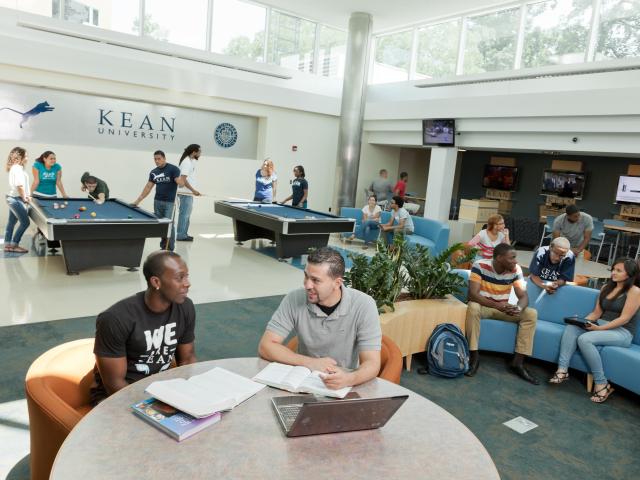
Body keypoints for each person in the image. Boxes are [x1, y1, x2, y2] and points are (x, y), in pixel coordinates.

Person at [258, 247, 382, 390]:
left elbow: (372, 363)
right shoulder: (294, 298)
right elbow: (265, 346)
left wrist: (349, 379)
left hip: (343, 383)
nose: (307, 285)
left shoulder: (364, 305)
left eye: (316, 280)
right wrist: (310, 363)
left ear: (337, 283)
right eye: (306, 276)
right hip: (303, 380)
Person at [90, 251, 197, 405]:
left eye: (187, 276)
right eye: (180, 277)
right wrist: (150, 408)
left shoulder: (185, 307)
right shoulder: (115, 318)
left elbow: (187, 358)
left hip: (161, 391)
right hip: (115, 398)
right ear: (156, 282)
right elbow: (114, 384)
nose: (187, 283)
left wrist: (188, 392)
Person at [549, 258, 640, 403]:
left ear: (629, 274)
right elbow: (596, 313)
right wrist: (583, 321)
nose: (613, 273)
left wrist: (600, 328)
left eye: (619, 270)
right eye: (613, 269)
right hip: (601, 327)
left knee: (585, 339)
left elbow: (625, 319)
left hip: (622, 332)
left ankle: (602, 383)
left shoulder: (635, 291)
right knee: (572, 328)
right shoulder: (605, 288)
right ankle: (562, 370)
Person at [465, 243, 539, 384]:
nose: (516, 261)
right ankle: (474, 356)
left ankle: (518, 363)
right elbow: (473, 295)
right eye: (512, 258)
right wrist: (497, 306)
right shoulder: (480, 265)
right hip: (484, 307)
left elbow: (523, 297)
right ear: (499, 258)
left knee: (531, 314)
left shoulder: (515, 270)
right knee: (473, 307)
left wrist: (518, 308)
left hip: (502, 309)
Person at [132, 151, 182, 251]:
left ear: (164, 158)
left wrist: (181, 180)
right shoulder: (153, 172)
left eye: (159, 159)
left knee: (169, 225)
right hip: (157, 202)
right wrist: (138, 201)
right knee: (161, 225)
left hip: (169, 203)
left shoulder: (173, 169)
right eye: (155, 159)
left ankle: (169, 249)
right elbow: (148, 187)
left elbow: (180, 183)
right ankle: (163, 247)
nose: (157, 161)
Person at [4, 147, 31, 254]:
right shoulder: (18, 168)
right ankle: (15, 245)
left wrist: (26, 195)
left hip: (11, 198)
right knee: (25, 222)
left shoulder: (15, 167)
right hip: (16, 199)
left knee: (12, 222)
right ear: (21, 157)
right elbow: (20, 186)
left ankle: (7, 245)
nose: (28, 158)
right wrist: (25, 198)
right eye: (27, 156)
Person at [176, 144, 202, 242]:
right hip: (185, 193)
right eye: (199, 152)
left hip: (187, 193)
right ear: (194, 152)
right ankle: (180, 235)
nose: (200, 154)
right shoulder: (186, 162)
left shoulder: (190, 161)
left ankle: (183, 234)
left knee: (186, 214)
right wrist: (193, 190)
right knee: (184, 214)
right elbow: (183, 181)